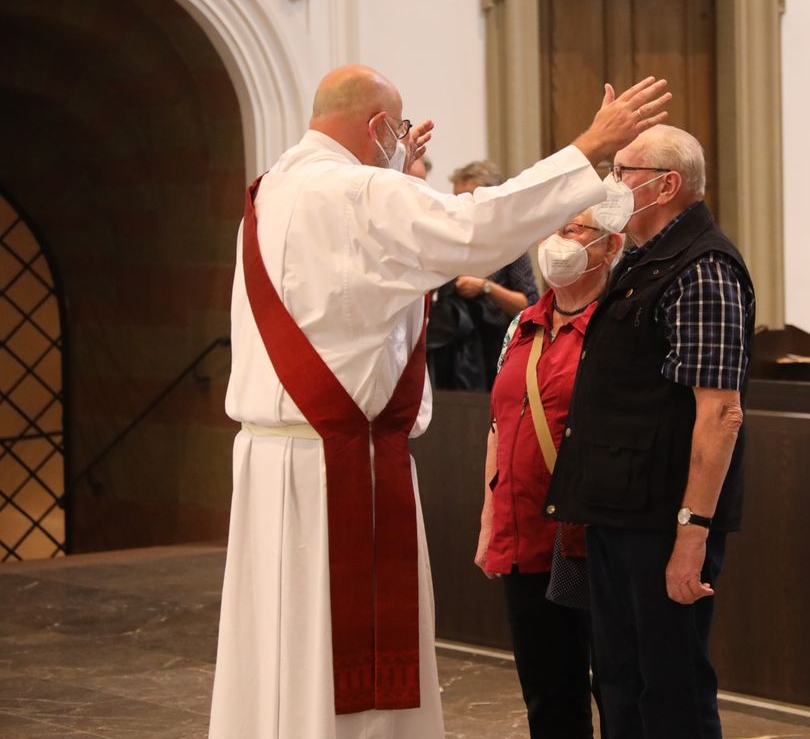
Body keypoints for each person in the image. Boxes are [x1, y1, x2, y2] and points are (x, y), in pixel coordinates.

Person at [211, 63, 671, 739]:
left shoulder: (276, 187)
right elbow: (475, 230)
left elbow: (356, 283)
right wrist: (589, 146)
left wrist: (402, 181)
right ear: (376, 126)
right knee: (341, 654)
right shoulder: (361, 191)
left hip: (271, 457)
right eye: (395, 131)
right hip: (339, 469)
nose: (400, 144)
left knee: (284, 647)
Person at [543, 125, 755, 739]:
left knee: (670, 688)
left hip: (663, 517)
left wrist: (692, 534)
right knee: (619, 680)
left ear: (666, 185)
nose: (610, 183)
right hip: (618, 506)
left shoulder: (703, 267)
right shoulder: (641, 257)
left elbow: (720, 413)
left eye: (622, 170)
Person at [474, 206, 623, 739]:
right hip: (524, 538)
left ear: (610, 246)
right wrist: (490, 520)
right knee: (548, 695)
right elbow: (499, 423)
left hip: (594, 539)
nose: (561, 238)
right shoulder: (522, 324)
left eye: (577, 229)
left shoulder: (618, 324)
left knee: (620, 691)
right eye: (558, 227)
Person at [426, 161, 540, 391]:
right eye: (457, 198)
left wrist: (486, 287)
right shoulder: (449, 240)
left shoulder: (509, 245)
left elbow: (529, 306)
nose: (462, 206)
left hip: (497, 350)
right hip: (453, 352)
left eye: (468, 198)